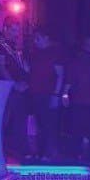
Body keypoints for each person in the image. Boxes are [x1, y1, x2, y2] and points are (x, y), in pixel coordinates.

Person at [28, 26, 64, 161]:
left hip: (48, 93)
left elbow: (60, 75)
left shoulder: (55, 53)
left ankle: (51, 153)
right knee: (41, 123)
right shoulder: (36, 53)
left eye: (38, 38)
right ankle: (42, 152)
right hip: (36, 92)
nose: (35, 41)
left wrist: (56, 95)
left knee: (50, 123)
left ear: (46, 38)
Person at [0, 18, 29, 161]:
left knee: (19, 119)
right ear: (5, 28)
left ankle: (18, 151)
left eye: (18, 30)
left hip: (20, 88)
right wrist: (14, 84)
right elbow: (1, 68)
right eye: (14, 30)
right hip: (6, 89)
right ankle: (2, 151)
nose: (17, 33)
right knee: (4, 120)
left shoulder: (16, 47)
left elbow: (22, 66)